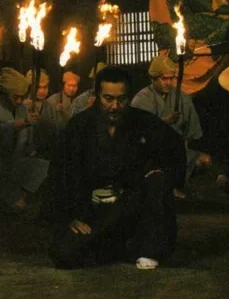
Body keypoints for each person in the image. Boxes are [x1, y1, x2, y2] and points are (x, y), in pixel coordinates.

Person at [48, 66, 185, 270]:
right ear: (97, 96)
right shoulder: (79, 126)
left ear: (128, 97)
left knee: (156, 180)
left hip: (129, 206)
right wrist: (70, 216)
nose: (115, 106)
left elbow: (174, 145)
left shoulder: (143, 121)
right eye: (108, 99)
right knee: (64, 253)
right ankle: (118, 247)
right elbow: (60, 173)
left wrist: (164, 177)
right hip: (92, 211)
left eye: (121, 99)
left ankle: (141, 247)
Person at [131, 55, 211, 199]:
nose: (168, 83)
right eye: (164, 79)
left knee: (204, 161)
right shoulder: (141, 99)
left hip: (179, 152)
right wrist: (164, 121)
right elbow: (140, 131)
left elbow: (191, 132)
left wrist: (182, 149)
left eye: (171, 78)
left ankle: (182, 184)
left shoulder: (182, 97)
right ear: (153, 78)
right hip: (152, 154)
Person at [0, 68, 38, 213]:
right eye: (15, 97)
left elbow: (27, 135)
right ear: (4, 94)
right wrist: (21, 123)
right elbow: (0, 131)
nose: (19, 101)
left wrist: (30, 147)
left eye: (21, 97)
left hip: (17, 162)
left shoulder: (22, 108)